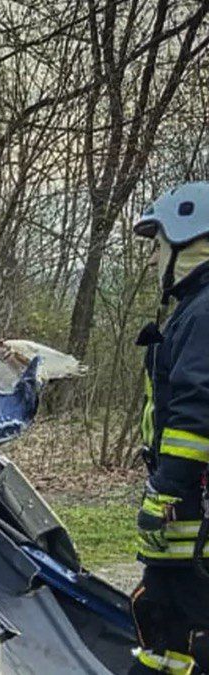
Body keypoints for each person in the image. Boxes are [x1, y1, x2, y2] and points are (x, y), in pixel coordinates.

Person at [130, 181, 209, 675]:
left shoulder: (203, 315)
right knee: (165, 622)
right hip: (193, 514)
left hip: (191, 514)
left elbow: (198, 413)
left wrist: (166, 492)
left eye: (159, 245)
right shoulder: (193, 312)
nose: (155, 258)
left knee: (171, 620)